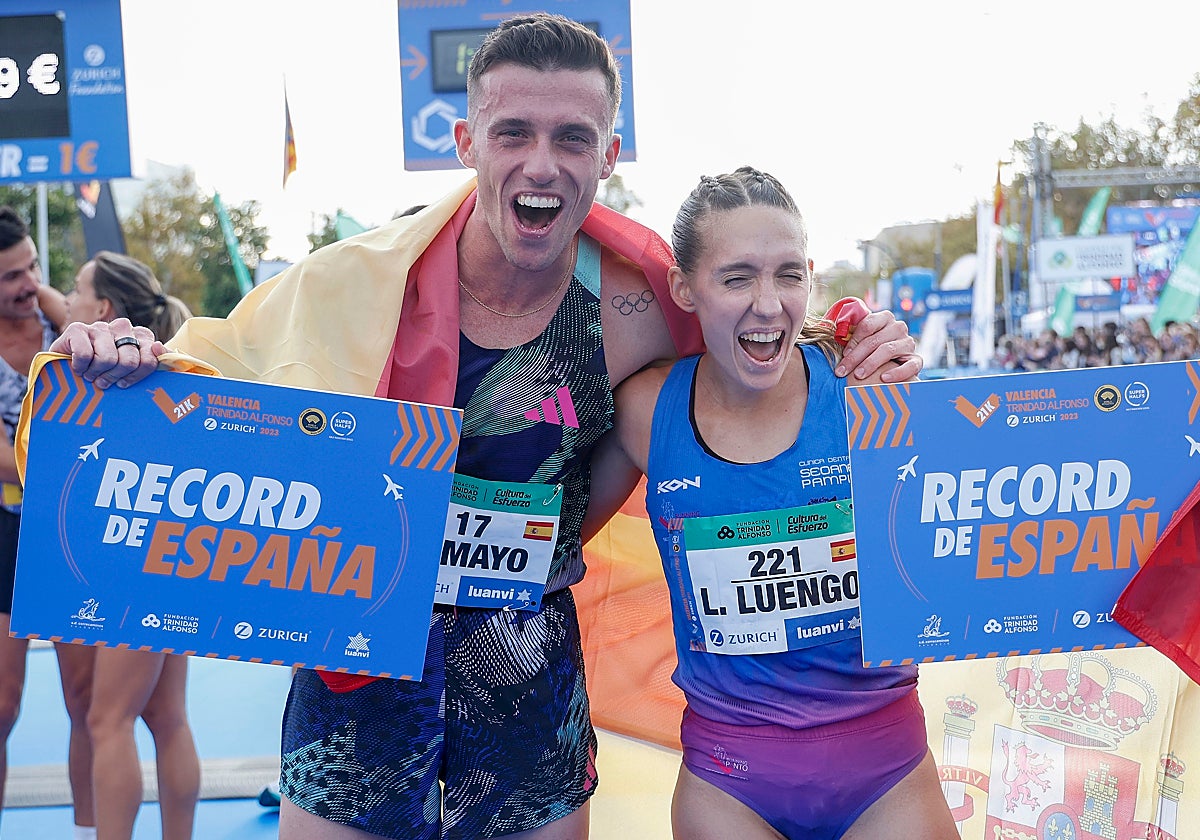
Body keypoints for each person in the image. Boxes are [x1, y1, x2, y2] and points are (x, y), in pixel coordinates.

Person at [42, 15, 920, 840]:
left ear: (608, 154)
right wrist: (119, 361)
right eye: (514, 133)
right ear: (466, 143)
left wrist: (857, 341)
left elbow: (762, 339)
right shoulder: (354, 284)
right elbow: (213, 373)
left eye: (572, 137)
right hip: (357, 674)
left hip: (527, 681)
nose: (543, 163)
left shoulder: (644, 304)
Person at [596, 168, 957, 839]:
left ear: (810, 278)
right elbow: (551, 537)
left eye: (788, 275)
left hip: (886, 774)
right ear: (684, 287)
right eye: (737, 278)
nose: (768, 304)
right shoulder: (645, 411)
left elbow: (968, 530)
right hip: (729, 786)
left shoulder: (869, 389)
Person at [64, 251, 199, 840]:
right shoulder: (176, 373)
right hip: (173, 555)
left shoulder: (111, 385)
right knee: (168, 718)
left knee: (108, 719)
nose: (65, 300)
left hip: (131, 560)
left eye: (75, 289)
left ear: (102, 309)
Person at [0, 207, 98, 840]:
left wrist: (64, 314)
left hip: (67, 529)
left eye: (32, 266)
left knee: (85, 700)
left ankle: (88, 828)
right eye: (11, 275)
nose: (29, 282)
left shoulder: (58, 321)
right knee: (1, 705)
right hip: (7, 532)